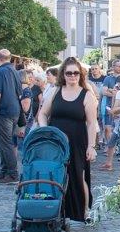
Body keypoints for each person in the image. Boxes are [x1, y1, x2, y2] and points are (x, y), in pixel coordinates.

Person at [36, 58, 98, 222]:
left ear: (80, 75)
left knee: (78, 175)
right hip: (55, 142)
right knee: (54, 174)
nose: (72, 76)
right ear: (63, 74)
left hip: (77, 142)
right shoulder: (55, 91)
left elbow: (92, 123)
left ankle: (85, 211)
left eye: (76, 73)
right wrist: (45, 129)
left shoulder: (87, 95)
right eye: (69, 73)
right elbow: (43, 114)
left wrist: (91, 146)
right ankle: (54, 209)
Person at [0, 50, 21, 183]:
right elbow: (19, 92)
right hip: (14, 110)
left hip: (3, 111)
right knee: (4, 142)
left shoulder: (0, 72)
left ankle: (12, 174)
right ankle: (4, 171)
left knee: (5, 143)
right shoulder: (15, 71)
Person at [100, 59, 120, 171]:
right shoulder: (116, 79)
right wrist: (113, 110)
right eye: (119, 66)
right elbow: (114, 96)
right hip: (118, 113)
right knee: (113, 138)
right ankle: (109, 162)